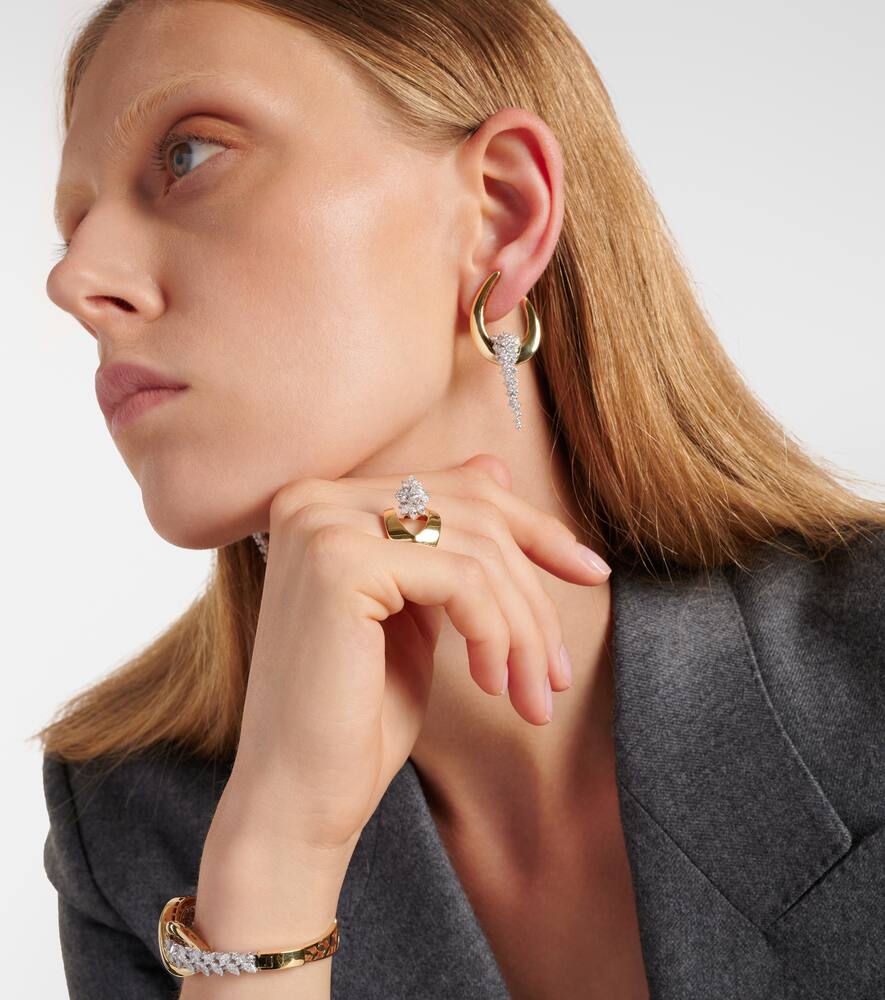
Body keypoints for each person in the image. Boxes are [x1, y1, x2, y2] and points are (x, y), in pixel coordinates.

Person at [35, 1, 885, 998]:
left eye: (189, 156)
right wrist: (276, 860)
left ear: (501, 214)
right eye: (74, 225)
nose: (75, 280)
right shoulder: (131, 821)